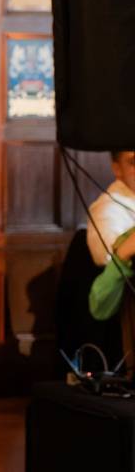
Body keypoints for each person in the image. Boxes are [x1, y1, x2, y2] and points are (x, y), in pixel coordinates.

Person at [87, 150, 135, 368]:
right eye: (134, 161)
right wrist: (124, 252)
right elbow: (100, 303)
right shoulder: (108, 210)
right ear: (117, 168)